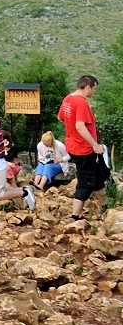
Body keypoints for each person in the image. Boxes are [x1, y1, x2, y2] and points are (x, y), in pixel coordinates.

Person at [62, 75, 104, 219]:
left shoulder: (68, 98)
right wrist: (95, 145)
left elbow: (61, 117)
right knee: (86, 182)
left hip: (72, 145)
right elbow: (79, 126)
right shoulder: (81, 102)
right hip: (83, 148)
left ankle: (105, 206)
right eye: (94, 89)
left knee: (97, 176)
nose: (94, 92)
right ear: (87, 87)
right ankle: (74, 217)